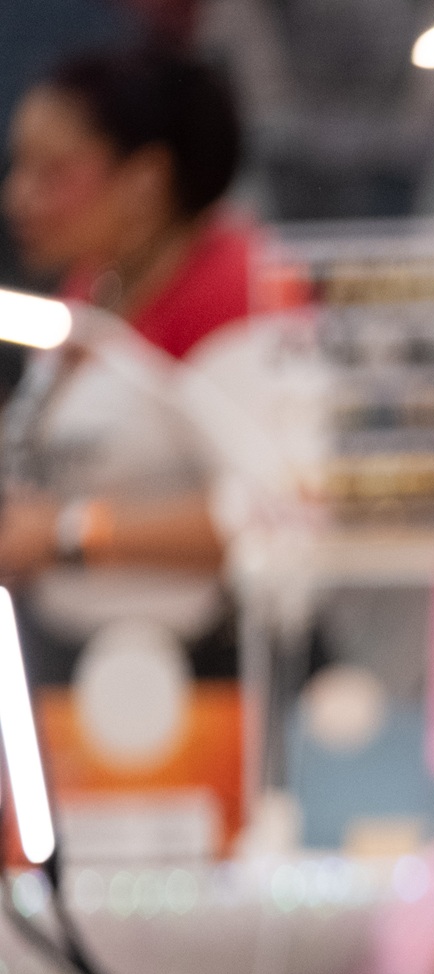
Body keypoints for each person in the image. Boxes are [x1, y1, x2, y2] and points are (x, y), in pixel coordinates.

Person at [0, 42, 249, 675]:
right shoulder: (92, 287)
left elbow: (268, 513)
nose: (17, 197)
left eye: (51, 172)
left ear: (144, 180)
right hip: (71, 665)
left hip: (199, 677)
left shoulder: (233, 291)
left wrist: (65, 534)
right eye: (18, 166)